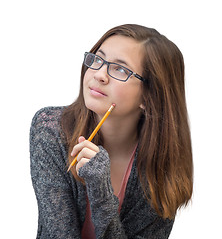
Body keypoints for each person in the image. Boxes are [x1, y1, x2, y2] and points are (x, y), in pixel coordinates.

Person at [30, 24, 193, 238]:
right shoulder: (51, 130)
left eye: (120, 69)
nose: (99, 74)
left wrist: (101, 189)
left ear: (149, 97)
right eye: (98, 59)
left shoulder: (162, 165)